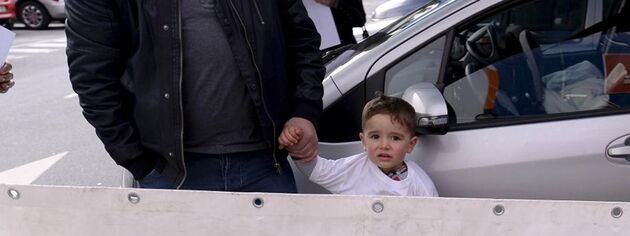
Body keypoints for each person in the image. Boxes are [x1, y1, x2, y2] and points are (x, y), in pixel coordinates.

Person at [65, 0, 325, 193]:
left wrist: (304, 111)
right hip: (170, 176)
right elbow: (92, 77)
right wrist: (139, 162)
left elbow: (302, 43)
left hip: (264, 166)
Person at [281, 93, 438, 197]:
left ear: (411, 144)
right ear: (363, 141)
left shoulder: (419, 184)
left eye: (395, 138)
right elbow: (317, 170)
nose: (384, 145)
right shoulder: (352, 169)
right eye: (375, 136)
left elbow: (435, 221)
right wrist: (295, 143)